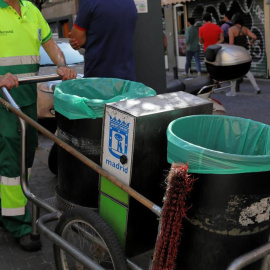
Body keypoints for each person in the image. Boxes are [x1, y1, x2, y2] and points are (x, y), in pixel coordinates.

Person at [0, 0, 76, 251]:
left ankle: (8, 207)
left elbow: (51, 45)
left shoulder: (32, 11)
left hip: (27, 100)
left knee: (26, 158)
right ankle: (17, 222)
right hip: (4, 101)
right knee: (13, 161)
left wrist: (62, 64)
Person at [69, 0, 138, 81]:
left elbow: (77, 39)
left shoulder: (89, 2)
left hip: (98, 80)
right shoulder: (130, 2)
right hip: (127, 78)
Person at [226, 13, 260, 96]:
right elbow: (255, 37)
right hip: (244, 52)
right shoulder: (245, 29)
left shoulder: (231, 29)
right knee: (247, 71)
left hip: (236, 53)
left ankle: (232, 91)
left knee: (232, 72)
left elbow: (231, 43)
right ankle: (257, 88)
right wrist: (251, 42)